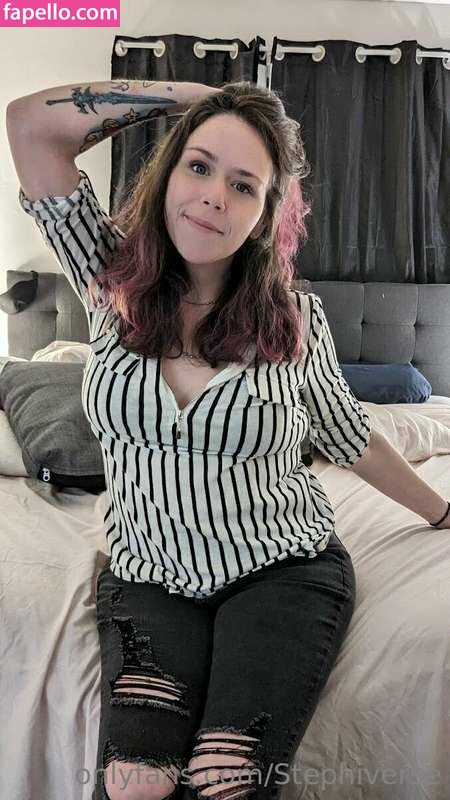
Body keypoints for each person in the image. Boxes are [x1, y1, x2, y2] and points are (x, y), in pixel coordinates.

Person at [7, 79, 449, 800]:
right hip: (149, 577)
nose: (215, 196)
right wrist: (205, 99)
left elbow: (348, 435)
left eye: (244, 185)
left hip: (283, 571)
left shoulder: (293, 321)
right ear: (170, 171)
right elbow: (31, 125)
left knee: (227, 782)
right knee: (134, 786)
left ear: (265, 213)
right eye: (199, 165)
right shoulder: (108, 280)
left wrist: (441, 510)